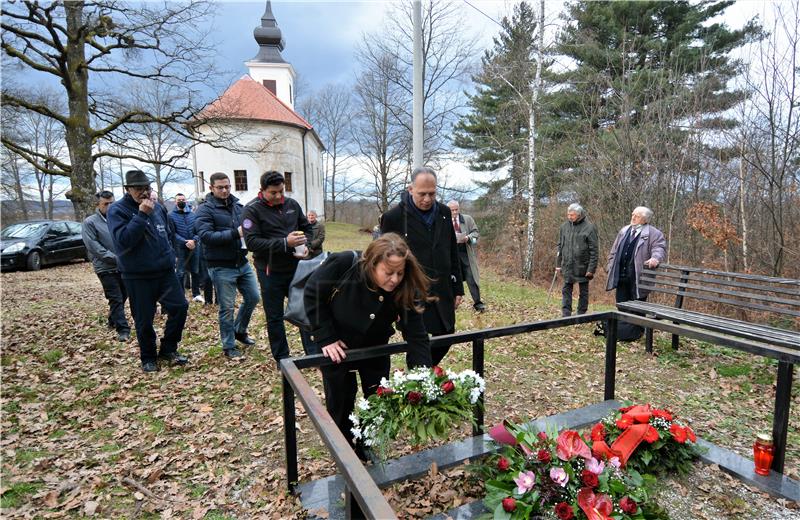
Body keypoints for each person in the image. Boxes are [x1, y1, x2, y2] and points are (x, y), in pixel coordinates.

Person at [304, 233, 433, 460]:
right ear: (373, 264)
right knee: (341, 399)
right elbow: (313, 292)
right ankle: (343, 447)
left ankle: (367, 443)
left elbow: (416, 334)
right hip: (338, 347)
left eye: (400, 273)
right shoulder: (344, 263)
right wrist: (325, 337)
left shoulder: (404, 287)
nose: (394, 279)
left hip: (375, 347)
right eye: (388, 272)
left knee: (376, 398)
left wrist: (422, 375)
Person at [106, 170, 189, 373]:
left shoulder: (159, 208)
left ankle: (169, 348)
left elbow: (168, 234)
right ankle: (148, 356)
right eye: (138, 188)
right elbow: (124, 240)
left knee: (179, 307)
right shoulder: (118, 211)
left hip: (165, 271)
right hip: (137, 275)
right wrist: (142, 214)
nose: (144, 192)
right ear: (128, 189)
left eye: (147, 187)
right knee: (144, 319)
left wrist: (172, 255)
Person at [380, 166, 463, 365]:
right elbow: (384, 261)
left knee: (447, 335)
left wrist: (458, 287)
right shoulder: (393, 218)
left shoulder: (443, 212)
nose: (427, 199)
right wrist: (393, 303)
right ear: (410, 190)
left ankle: (424, 374)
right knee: (418, 344)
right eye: (422, 194)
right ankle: (419, 383)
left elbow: (452, 250)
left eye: (432, 193)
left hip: (442, 289)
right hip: (411, 292)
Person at [242, 171, 313, 363]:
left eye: (281, 191)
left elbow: (307, 228)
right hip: (269, 271)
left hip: (297, 268)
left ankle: (312, 353)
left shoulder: (292, 205)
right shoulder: (251, 210)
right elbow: (252, 243)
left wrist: (307, 244)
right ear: (262, 190)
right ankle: (282, 357)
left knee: (304, 310)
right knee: (275, 316)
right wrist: (284, 243)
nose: (279, 196)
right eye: (273, 192)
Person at [194, 172, 260, 359]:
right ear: (211, 188)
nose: (224, 190)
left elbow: (248, 228)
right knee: (227, 307)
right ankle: (229, 345)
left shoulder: (239, 207)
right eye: (220, 187)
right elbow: (206, 237)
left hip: (242, 262)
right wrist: (235, 233)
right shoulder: (204, 211)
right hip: (221, 266)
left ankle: (239, 330)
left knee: (254, 297)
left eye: (227, 187)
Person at [82, 191, 131, 342]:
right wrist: (115, 258)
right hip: (105, 267)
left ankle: (112, 319)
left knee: (123, 295)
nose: (110, 207)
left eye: (112, 203)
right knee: (115, 297)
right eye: (106, 204)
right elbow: (93, 246)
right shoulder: (90, 222)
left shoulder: (118, 219)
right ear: (98, 205)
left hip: (123, 265)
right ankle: (123, 329)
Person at [606, 206, 667, 303]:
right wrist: (610, 266)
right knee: (621, 307)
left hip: (639, 278)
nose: (633, 218)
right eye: (632, 215)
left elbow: (659, 248)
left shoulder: (654, 233)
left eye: (637, 216)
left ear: (645, 220)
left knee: (637, 312)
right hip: (621, 277)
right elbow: (614, 251)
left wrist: (655, 258)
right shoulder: (624, 230)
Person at [556, 203, 599, 316]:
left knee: (583, 292)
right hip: (567, 265)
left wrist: (591, 269)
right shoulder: (564, 227)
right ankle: (566, 313)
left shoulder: (589, 227)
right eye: (568, 214)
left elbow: (594, 251)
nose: (570, 217)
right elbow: (560, 246)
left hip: (583, 266)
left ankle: (581, 313)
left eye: (572, 215)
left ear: (579, 215)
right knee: (566, 289)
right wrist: (558, 264)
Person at [447, 200, 485, 312]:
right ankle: (452, 304)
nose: (454, 212)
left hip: (465, 253)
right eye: (452, 210)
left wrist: (468, 238)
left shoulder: (467, 219)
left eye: (456, 209)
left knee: (471, 278)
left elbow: (476, 234)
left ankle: (478, 303)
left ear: (459, 208)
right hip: (451, 255)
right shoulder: (444, 220)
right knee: (452, 279)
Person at [169, 193, 203, 303]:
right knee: (180, 272)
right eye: (179, 200)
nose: (181, 201)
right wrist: (184, 242)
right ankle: (181, 295)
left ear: (186, 201)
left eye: (183, 199)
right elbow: (172, 233)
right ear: (175, 202)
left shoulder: (193, 215)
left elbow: (198, 230)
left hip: (194, 247)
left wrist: (194, 240)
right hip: (180, 248)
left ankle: (196, 294)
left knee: (195, 271)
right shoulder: (171, 216)